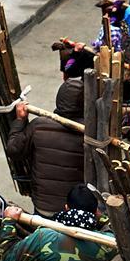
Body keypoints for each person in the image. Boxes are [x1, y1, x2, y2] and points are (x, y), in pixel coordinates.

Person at [7, 80, 85, 217]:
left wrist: (20, 120)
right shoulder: (90, 133)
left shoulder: (39, 125)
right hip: (75, 211)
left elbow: (14, 150)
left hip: (43, 207)